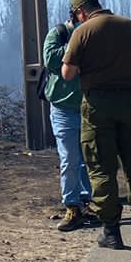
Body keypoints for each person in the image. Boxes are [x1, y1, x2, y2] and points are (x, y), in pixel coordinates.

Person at [59, 0, 131, 250]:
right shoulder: (130, 26)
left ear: (81, 12)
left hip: (98, 106)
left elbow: (68, 73)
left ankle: (111, 232)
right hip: (130, 102)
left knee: (101, 168)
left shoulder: (82, 32)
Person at [41, 15, 93, 232]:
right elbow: (51, 60)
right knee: (69, 157)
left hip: (88, 106)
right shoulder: (59, 33)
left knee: (86, 159)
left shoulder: (93, 34)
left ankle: (86, 203)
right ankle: (72, 205)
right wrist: (75, 46)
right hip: (63, 108)